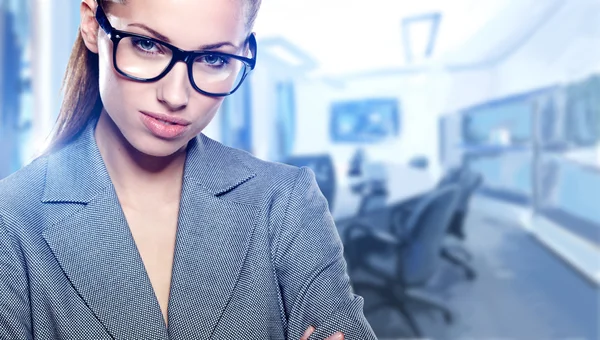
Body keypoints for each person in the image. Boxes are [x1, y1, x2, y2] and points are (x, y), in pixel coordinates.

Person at [0, 0, 377, 339]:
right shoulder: (12, 216)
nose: (176, 96)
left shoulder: (284, 201)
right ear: (91, 25)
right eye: (147, 44)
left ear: (243, 53)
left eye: (214, 59)